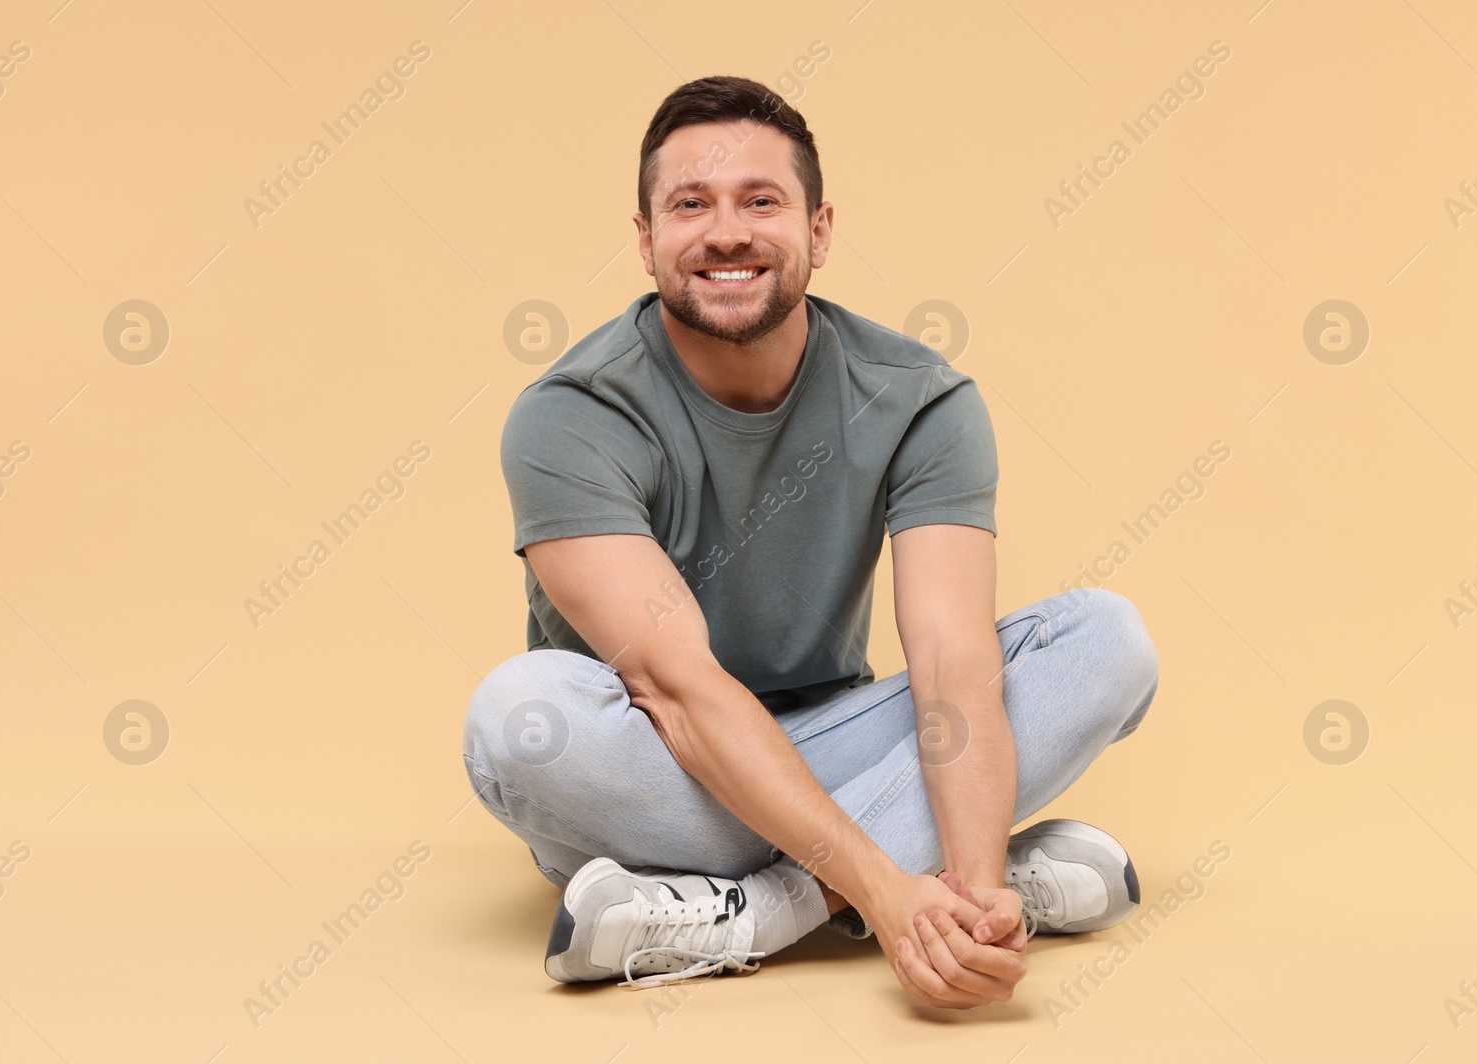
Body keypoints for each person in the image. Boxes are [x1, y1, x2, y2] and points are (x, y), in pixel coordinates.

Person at [463, 75, 1158, 1009]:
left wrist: (980, 883)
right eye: (690, 204)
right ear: (645, 239)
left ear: (819, 230)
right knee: (517, 716)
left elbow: (953, 665)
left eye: (761, 200)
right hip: (656, 766)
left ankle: (749, 915)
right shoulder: (569, 415)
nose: (727, 231)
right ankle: (884, 881)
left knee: (1108, 640)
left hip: (838, 742)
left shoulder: (920, 400)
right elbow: (677, 690)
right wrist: (890, 890)